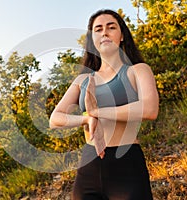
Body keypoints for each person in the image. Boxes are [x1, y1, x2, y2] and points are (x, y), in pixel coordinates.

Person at [49, 9, 159, 200]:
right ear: (92, 40)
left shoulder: (137, 70)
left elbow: (149, 109)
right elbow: (55, 119)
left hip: (127, 166)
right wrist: (87, 119)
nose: (105, 32)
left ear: (122, 35)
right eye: (98, 29)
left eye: (111, 27)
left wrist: (99, 111)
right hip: (88, 168)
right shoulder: (82, 79)